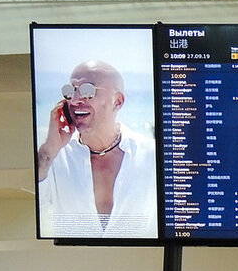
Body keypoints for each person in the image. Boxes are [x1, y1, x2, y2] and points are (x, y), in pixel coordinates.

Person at [36, 60, 157, 238]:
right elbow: (34, 212)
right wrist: (48, 152)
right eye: (70, 91)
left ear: (117, 102)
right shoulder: (53, 157)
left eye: (88, 90)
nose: (75, 100)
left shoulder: (153, 157)